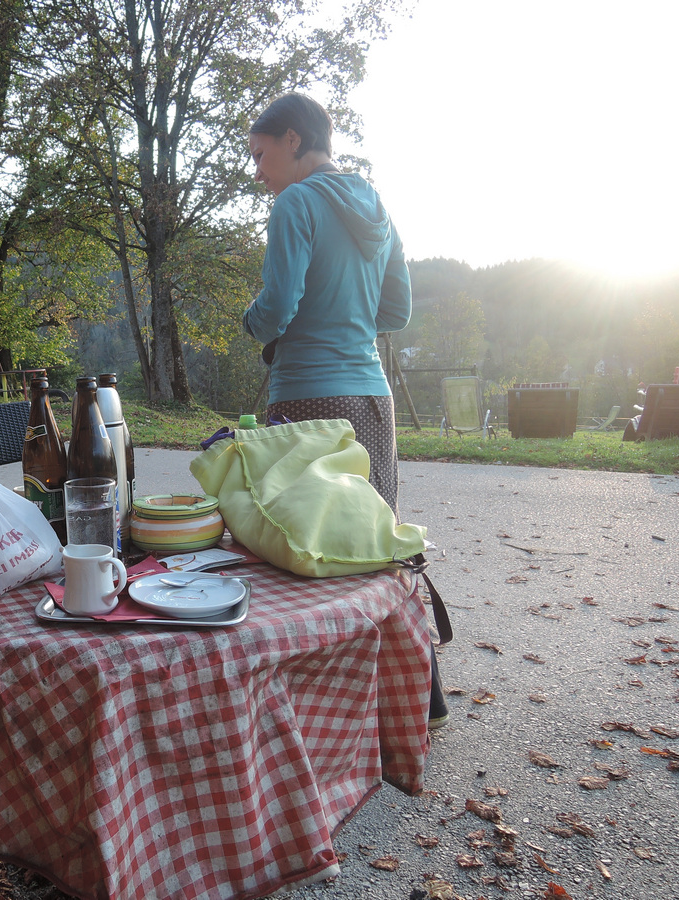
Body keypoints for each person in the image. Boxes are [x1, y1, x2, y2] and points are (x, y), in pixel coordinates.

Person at [243, 92, 448, 728]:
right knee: (377, 542)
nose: (258, 171)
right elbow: (397, 311)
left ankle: (322, 710)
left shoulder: (295, 203)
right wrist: (349, 320)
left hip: (308, 392)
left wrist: (254, 322)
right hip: (372, 394)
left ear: (294, 139)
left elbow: (278, 305)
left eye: (261, 154)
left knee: (307, 546)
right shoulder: (376, 207)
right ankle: (423, 698)